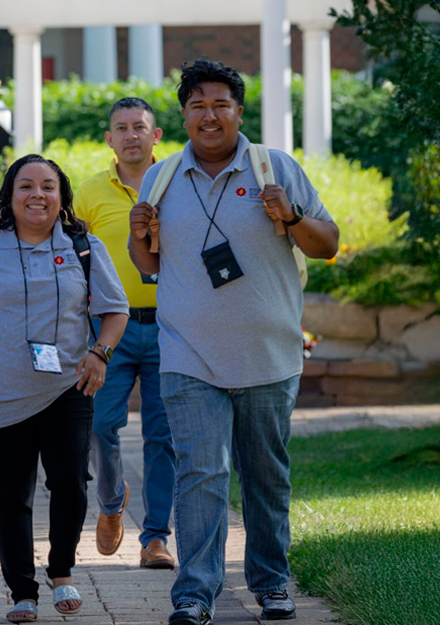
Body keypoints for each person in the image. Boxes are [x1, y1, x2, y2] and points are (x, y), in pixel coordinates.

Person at [129, 60, 339, 624]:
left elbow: (328, 244)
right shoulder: (163, 176)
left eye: (221, 104)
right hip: (187, 353)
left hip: (269, 355)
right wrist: (135, 233)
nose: (210, 115)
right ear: (183, 116)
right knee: (202, 471)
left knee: (265, 475)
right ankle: (195, 593)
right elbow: (148, 263)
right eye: (197, 106)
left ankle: (272, 581)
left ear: (239, 112)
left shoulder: (275, 168)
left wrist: (291, 216)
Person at [0, 154, 129, 624]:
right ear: (9, 195)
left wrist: (99, 353)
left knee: (71, 486)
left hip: (67, 387)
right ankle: (22, 590)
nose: (37, 195)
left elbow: (115, 309)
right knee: (9, 496)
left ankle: (61, 572)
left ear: (61, 197)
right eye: (26, 186)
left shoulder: (83, 247)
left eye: (48, 186)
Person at [74, 97, 177, 569]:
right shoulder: (89, 193)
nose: (131, 134)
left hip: (172, 326)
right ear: (109, 138)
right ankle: (112, 503)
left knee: (164, 435)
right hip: (107, 329)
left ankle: (156, 537)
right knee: (99, 425)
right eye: (122, 127)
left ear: (156, 136)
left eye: (140, 127)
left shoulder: (177, 182)